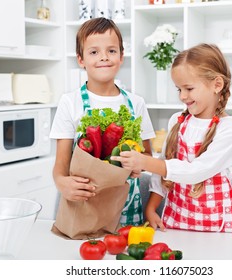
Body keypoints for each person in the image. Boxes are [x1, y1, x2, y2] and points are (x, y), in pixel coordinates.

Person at [112, 43, 232, 233]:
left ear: (217, 85)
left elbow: (196, 171)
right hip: (180, 223)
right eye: (178, 89)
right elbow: (163, 173)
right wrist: (151, 207)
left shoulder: (229, 128)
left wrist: (145, 162)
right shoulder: (177, 122)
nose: (182, 96)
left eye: (189, 88)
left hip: (221, 229)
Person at [50, 17, 155, 226]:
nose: (104, 57)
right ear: (81, 59)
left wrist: (139, 165)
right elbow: (60, 167)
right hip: (85, 205)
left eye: (112, 51)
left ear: (121, 56)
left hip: (128, 209)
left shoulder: (136, 103)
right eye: (94, 52)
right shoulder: (70, 102)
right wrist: (62, 184)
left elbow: (147, 155)